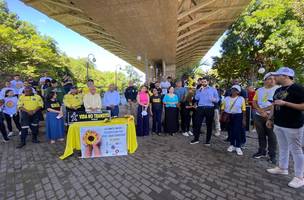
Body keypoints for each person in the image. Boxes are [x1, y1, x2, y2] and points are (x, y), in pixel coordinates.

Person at [266, 67, 304, 188]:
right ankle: (282, 168)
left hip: (293, 125)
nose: (274, 78)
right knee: (283, 147)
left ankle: (300, 177)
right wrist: (270, 118)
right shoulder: (279, 89)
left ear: (286, 76)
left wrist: (286, 103)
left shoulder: (298, 89)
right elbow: (273, 105)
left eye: (277, 76)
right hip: (279, 123)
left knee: (296, 150)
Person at [252, 73, 278, 164]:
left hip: (271, 116)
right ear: (265, 80)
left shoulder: (277, 89)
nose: (273, 80)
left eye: (274, 79)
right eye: (270, 79)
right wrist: (260, 111)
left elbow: (275, 104)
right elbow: (254, 102)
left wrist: (264, 110)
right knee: (261, 135)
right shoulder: (259, 90)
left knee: (272, 136)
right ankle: (262, 151)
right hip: (259, 116)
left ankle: (272, 155)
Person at [190, 77, 219, 145]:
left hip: (210, 108)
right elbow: (196, 98)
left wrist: (214, 100)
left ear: (208, 82)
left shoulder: (213, 89)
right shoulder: (199, 89)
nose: (203, 83)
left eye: (204, 82)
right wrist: (199, 91)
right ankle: (196, 139)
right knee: (197, 124)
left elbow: (217, 99)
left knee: (209, 125)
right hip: (200, 108)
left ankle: (207, 141)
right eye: (202, 82)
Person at [222, 85, 246, 156]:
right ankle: (232, 145)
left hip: (238, 116)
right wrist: (222, 115)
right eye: (232, 89)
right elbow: (223, 107)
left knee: (237, 131)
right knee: (230, 131)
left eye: (235, 90)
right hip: (228, 116)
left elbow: (243, 109)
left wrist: (244, 119)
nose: (233, 91)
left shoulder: (241, 99)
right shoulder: (226, 98)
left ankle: (238, 146)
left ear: (238, 92)